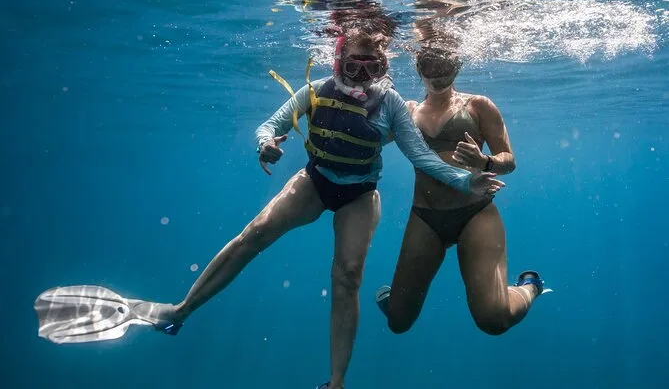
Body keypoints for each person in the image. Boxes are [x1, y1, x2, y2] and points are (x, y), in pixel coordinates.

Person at [34, 30, 504, 389]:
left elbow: (422, 157)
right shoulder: (316, 89)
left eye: (372, 68)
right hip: (316, 180)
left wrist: (467, 179)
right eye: (353, 67)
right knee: (254, 233)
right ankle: (178, 311)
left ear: (383, 66)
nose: (361, 78)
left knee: (347, 277)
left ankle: (336, 382)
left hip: (360, 193)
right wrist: (266, 143)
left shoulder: (393, 105)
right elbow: (271, 123)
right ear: (337, 61)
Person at [375, 45, 550, 338]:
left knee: (494, 320)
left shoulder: (478, 105)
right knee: (398, 322)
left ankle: (530, 287)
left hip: (476, 213)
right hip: (426, 217)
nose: (437, 75)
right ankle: (394, 303)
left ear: (458, 66)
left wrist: (485, 161)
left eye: (445, 67)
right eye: (429, 66)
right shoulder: (407, 110)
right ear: (418, 68)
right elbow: (371, 137)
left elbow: (509, 160)